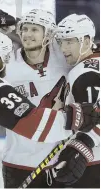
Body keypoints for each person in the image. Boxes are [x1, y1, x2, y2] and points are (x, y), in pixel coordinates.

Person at [1, 9, 98, 188]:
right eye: (24, 29)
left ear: (49, 34)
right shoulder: (8, 65)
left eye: (34, 29)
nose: (27, 34)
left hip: (59, 161)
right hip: (18, 162)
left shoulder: (65, 57)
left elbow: (90, 53)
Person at [54, 14, 100, 188]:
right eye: (61, 42)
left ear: (87, 42)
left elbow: (95, 116)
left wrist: (81, 148)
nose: (63, 48)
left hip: (90, 164)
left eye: (70, 41)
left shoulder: (84, 72)